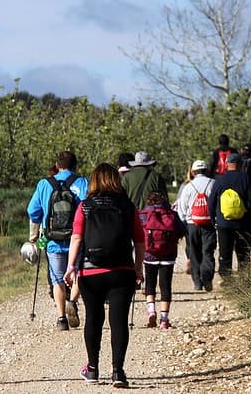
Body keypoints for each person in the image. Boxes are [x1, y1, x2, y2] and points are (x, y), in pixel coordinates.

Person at [64, 163, 144, 388]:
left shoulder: (85, 206)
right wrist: (138, 269)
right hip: (122, 271)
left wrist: (71, 267)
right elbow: (139, 241)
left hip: (91, 272)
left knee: (94, 319)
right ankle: (118, 372)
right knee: (118, 322)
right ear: (116, 181)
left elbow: (77, 238)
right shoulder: (128, 207)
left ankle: (92, 369)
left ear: (94, 181)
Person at [27, 150, 88, 331]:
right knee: (77, 272)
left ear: (57, 165)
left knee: (57, 278)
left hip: (52, 239)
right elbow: (89, 208)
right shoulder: (83, 182)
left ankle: (61, 318)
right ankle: (73, 301)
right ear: (75, 165)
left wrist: (37, 231)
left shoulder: (44, 184)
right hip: (77, 237)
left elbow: (33, 211)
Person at [208, 153, 251, 280]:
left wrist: (213, 219)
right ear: (240, 164)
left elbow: (211, 202)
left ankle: (227, 280)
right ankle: (243, 279)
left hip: (224, 223)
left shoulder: (220, 180)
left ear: (227, 164)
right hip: (244, 223)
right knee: (243, 252)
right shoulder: (246, 178)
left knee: (225, 253)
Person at [139, 191, 186, 329]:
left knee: (150, 284)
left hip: (149, 255)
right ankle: (164, 320)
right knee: (165, 286)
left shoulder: (144, 215)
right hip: (168, 255)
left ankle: (151, 311)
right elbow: (182, 231)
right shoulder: (172, 214)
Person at [176, 160, 217, 291]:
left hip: (191, 224)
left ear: (193, 172)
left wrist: (184, 222)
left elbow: (182, 207)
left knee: (194, 253)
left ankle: (197, 282)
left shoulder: (188, 186)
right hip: (209, 224)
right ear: (206, 170)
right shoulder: (213, 183)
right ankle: (207, 278)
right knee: (208, 251)